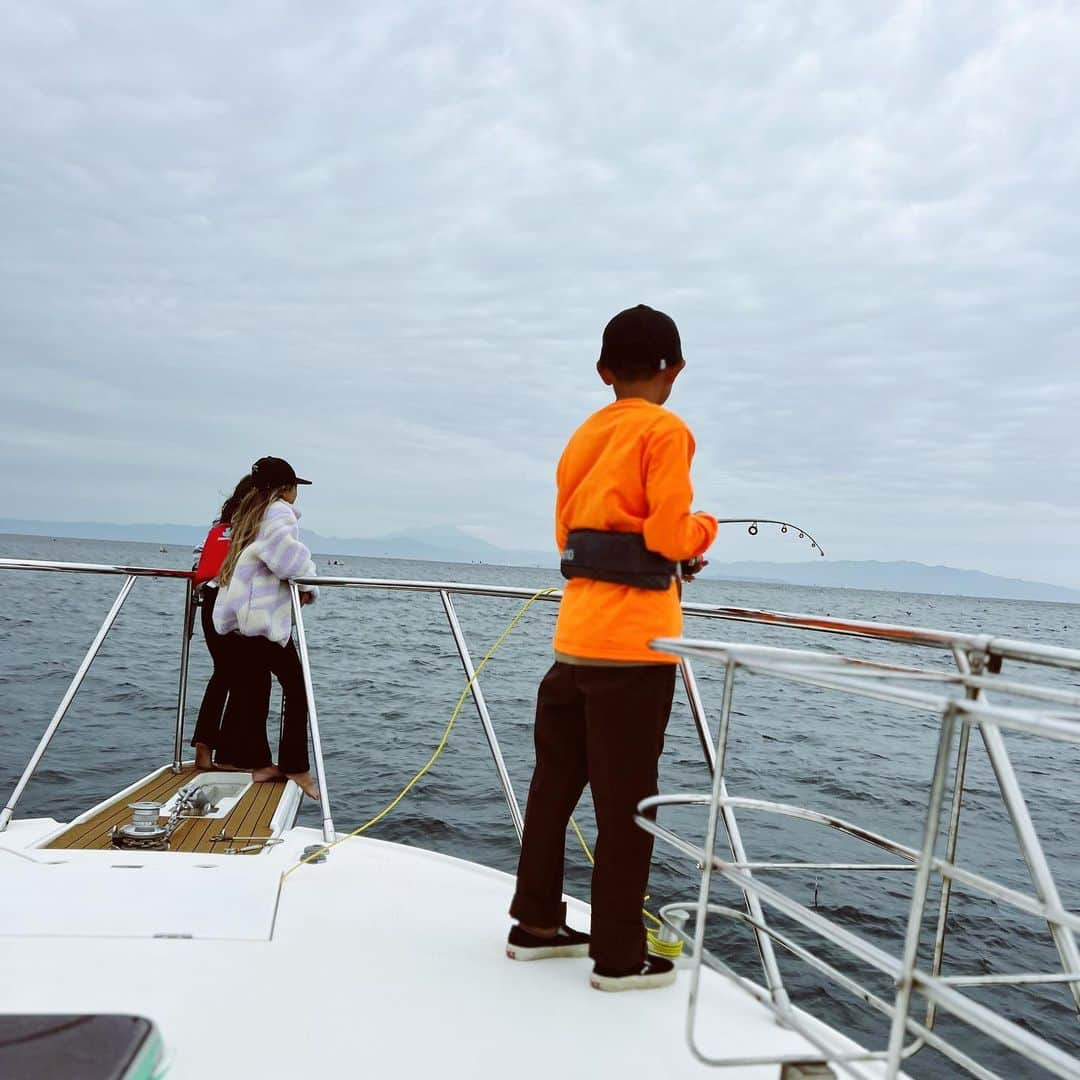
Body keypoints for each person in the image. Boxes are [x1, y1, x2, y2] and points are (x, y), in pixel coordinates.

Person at [507, 305, 718, 991]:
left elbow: (569, 536)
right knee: (628, 806)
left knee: (553, 788)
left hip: (573, 641)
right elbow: (666, 535)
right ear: (675, 370)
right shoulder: (666, 429)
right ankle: (619, 956)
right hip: (634, 649)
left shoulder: (582, 436)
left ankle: (536, 923)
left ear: (604, 372)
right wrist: (703, 533)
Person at [213, 456, 321, 801]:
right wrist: (310, 582)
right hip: (261, 618)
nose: (295, 495)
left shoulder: (250, 510)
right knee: (297, 685)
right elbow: (286, 557)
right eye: (294, 488)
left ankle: (253, 761)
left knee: (251, 689)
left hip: (242, 614)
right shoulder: (278, 512)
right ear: (286, 488)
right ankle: (295, 766)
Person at [189, 473, 271, 771]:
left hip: (208, 603)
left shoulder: (220, 528)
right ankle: (238, 755)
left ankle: (209, 748)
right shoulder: (256, 530)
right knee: (251, 678)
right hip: (234, 607)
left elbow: (202, 562)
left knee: (224, 674)